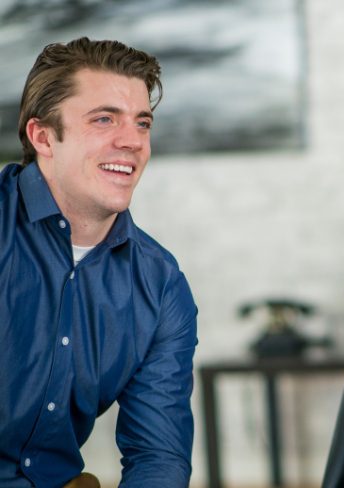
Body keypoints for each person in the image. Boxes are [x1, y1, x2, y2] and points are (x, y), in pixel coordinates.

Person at [0, 38, 198, 487]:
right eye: (104, 119)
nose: (131, 141)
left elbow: (157, 455)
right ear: (43, 137)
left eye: (142, 123)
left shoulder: (160, 284)